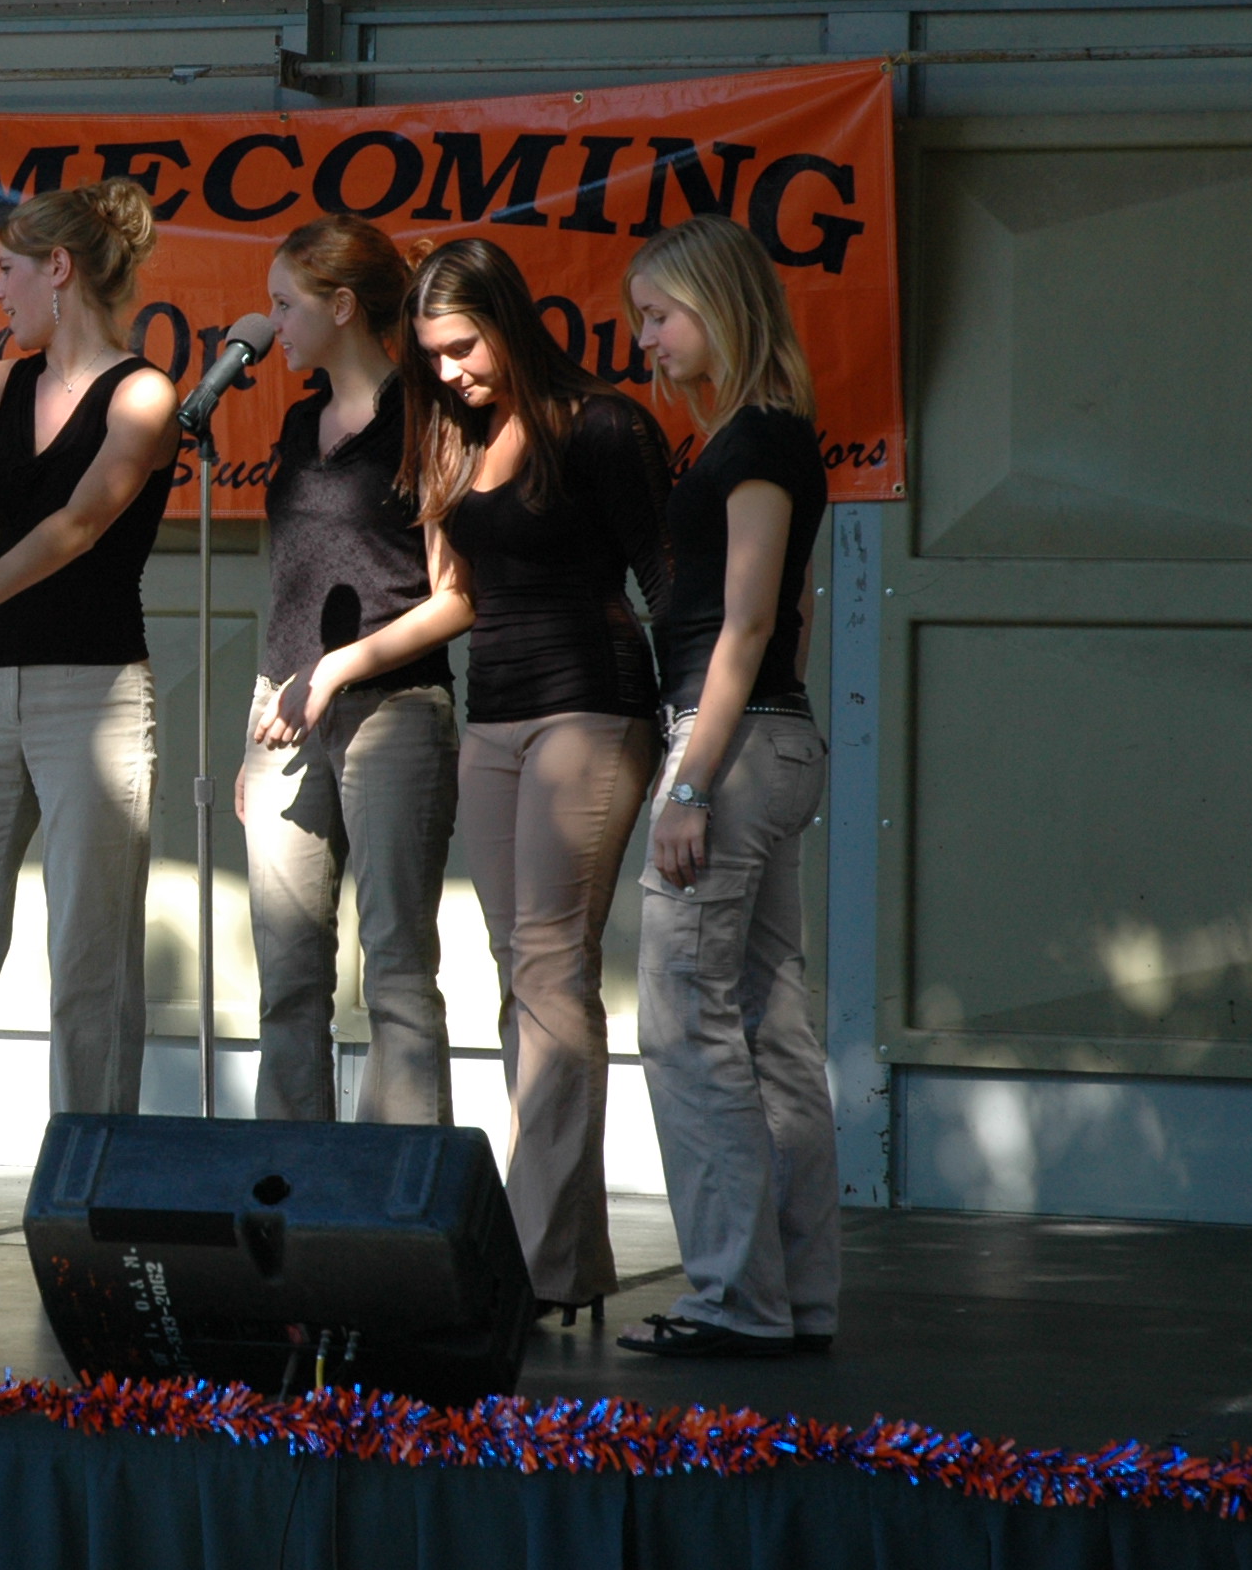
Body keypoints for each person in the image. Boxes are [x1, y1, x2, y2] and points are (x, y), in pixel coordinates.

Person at [0, 176, 181, 1275]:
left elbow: (82, 519)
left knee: (88, 960)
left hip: (93, 689)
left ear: (59, 270)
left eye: (9, 269)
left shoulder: (142, 392)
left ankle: (88, 1213)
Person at [401, 236, 670, 1323]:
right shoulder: (455, 431)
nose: (449, 370)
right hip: (496, 712)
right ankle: (568, 1256)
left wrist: (705, 739)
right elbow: (457, 592)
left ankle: (529, 1262)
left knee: (553, 968)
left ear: (508, 322)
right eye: (432, 354)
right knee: (517, 969)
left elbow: (670, 581)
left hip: (589, 701)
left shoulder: (600, 426)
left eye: (463, 346)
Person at [613, 215, 840, 1360]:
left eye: (658, 314)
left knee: (683, 1019)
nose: (646, 339)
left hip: (732, 745)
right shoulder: (768, 435)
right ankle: (792, 1296)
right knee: (767, 1021)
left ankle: (735, 1298)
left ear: (717, 303)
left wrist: (689, 783)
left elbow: (750, 622)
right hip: (767, 740)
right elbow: (787, 620)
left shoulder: (752, 441)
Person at [239, 215, 460, 1125]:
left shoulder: (426, 416)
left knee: (397, 966)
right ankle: (290, 1178)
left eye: (284, 304)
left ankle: (401, 1179)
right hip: (285, 711)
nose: (273, 323)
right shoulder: (300, 422)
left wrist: (335, 671)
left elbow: (457, 595)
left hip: (392, 708)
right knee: (288, 973)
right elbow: (291, 583)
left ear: (341, 306)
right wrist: (259, 714)